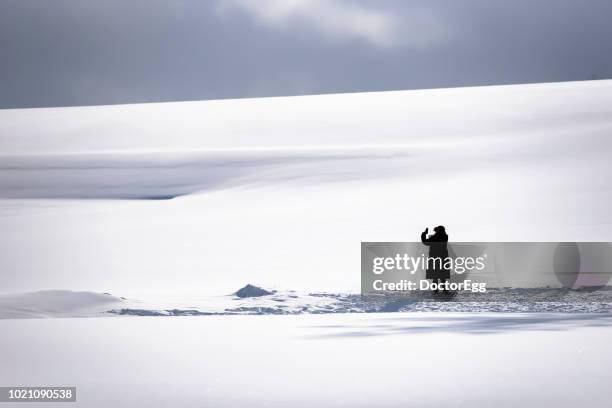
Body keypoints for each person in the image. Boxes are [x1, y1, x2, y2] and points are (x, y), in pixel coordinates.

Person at [421, 226, 450, 293]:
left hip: (434, 259)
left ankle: (436, 291)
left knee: (435, 277)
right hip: (443, 259)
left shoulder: (435, 237)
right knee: (442, 277)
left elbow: (425, 242)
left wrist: (424, 234)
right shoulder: (445, 237)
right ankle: (445, 291)